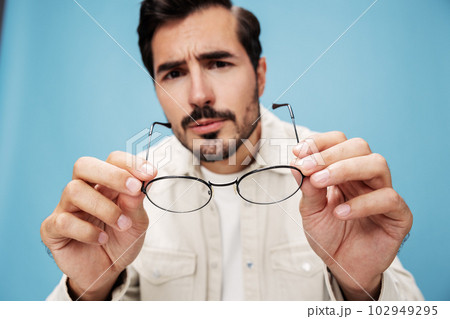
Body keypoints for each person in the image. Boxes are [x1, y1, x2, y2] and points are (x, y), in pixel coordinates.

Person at [41, 0, 423, 301]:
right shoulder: (124, 201)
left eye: (219, 63)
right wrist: (89, 293)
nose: (198, 95)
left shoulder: (332, 184)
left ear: (259, 75)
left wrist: (362, 287)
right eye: (173, 73)